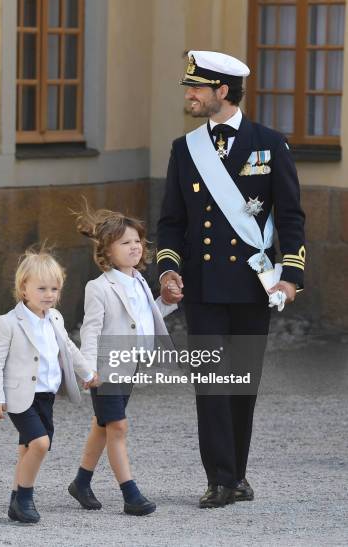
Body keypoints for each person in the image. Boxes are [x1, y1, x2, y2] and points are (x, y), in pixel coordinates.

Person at [157, 51, 306, 508]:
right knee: (211, 383)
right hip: (201, 288)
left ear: (222, 91)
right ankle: (220, 478)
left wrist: (291, 276)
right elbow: (171, 222)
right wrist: (168, 268)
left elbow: (292, 216)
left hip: (251, 286)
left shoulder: (269, 144)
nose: (189, 95)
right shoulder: (185, 149)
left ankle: (236, 476)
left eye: (197, 88)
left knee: (242, 383)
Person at [67, 205, 176, 516]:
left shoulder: (139, 282)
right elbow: (90, 331)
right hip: (105, 371)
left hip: (131, 366)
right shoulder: (98, 288)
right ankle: (131, 494)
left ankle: (81, 482)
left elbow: (143, 319)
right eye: (125, 243)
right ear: (107, 252)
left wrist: (164, 303)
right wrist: (87, 370)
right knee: (118, 426)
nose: (134, 247)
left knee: (103, 426)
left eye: (137, 241)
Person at [0, 247, 98, 524]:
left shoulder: (55, 319)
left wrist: (87, 372)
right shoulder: (8, 322)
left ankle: (15, 500)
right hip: (20, 396)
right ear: (23, 289)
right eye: (42, 288)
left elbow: (68, 349)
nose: (49, 294)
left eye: (55, 288)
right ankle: (25, 497)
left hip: (46, 396)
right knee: (40, 443)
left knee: (27, 447)